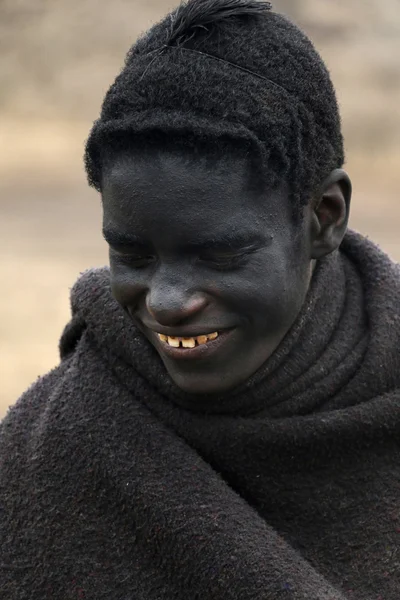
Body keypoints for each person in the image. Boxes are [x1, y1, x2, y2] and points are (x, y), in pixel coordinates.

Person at [1, 1, 399, 598]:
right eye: (132, 255)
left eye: (218, 256)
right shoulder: (48, 452)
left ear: (324, 217)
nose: (165, 302)